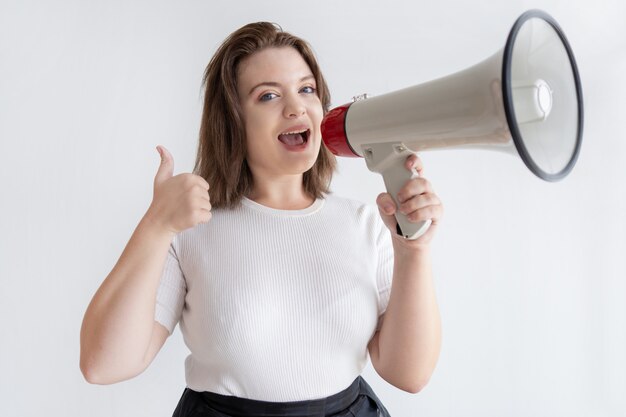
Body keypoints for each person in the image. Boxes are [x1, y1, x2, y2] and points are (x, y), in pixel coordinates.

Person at [80, 22, 443, 417]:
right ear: (233, 120)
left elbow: (410, 374)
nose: (295, 107)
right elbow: (104, 364)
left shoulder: (365, 224)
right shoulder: (190, 230)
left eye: (306, 89)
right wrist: (156, 226)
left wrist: (414, 249)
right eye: (268, 95)